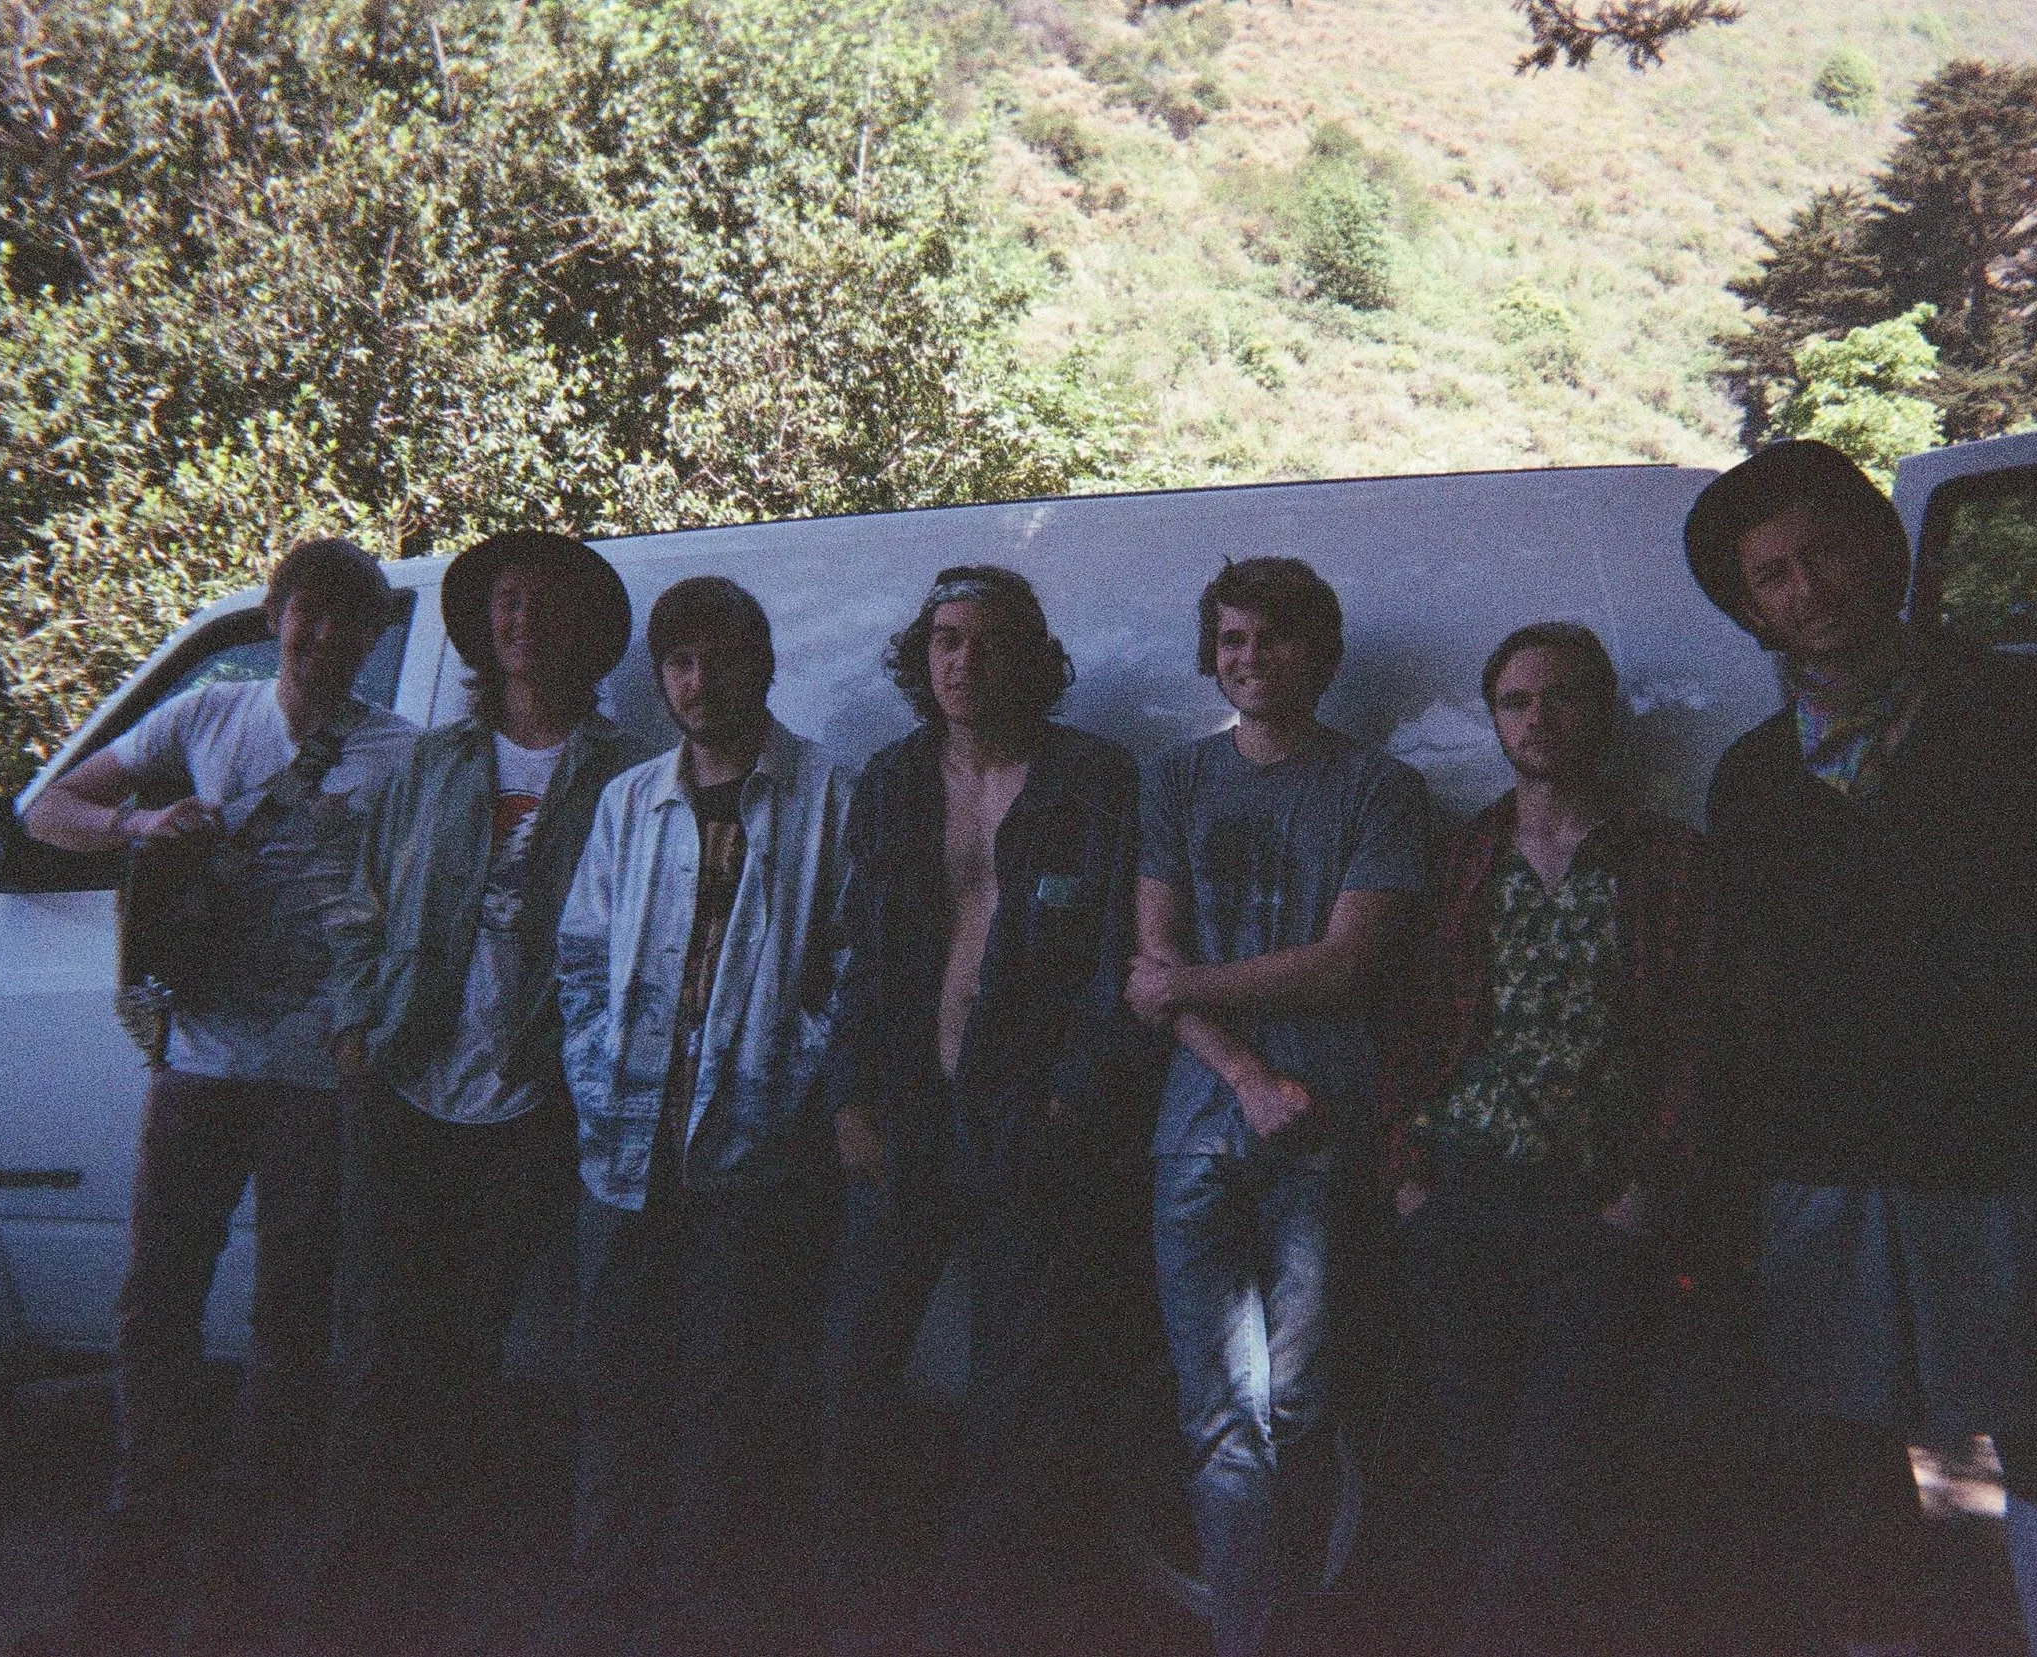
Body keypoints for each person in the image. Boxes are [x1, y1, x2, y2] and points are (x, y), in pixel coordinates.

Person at [1684, 441, 2037, 1657]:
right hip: (1824, 1153)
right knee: (1847, 1443)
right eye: (1771, 574)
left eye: (1823, 552)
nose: (1806, 588)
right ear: (1750, 609)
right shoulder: (1751, 778)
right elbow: (1749, 992)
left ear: (1878, 551)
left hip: (2008, 1137)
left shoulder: (2027, 720)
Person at [19, 537, 417, 1653]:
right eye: (307, 611)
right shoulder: (206, 714)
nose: (324, 635)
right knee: (155, 1302)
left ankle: (242, 1552)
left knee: (290, 1321)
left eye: (348, 619)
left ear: (373, 636)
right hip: (196, 1062)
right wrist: (138, 825)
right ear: (278, 615)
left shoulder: (403, 753)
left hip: (321, 1080)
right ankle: (147, 1522)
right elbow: (49, 809)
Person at [318, 529, 651, 1637]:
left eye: (545, 604)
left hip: (532, 1099)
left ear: (585, 633)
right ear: (483, 625)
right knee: (376, 1342)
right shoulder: (434, 764)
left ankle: (433, 1579)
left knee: (470, 1345)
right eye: (507, 601)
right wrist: (354, 1022)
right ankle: (356, 1580)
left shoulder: (622, 774)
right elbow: (359, 902)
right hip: (407, 1082)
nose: (522, 620)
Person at [818, 566, 1141, 1657]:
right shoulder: (894, 777)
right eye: (946, 639)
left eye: (991, 641)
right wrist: (849, 1096)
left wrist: (1070, 1100)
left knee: (1017, 1406)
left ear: (1034, 657)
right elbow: (862, 951)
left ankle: (977, 1623)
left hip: (1028, 1122)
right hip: (905, 1113)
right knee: (851, 1377)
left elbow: (1116, 957)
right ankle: (856, 1610)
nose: (964, 661)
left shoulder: (1092, 779)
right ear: (923, 656)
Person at [1374, 621, 1707, 1653]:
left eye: (1561, 696)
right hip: (1461, 1191)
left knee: (1561, 1480)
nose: (1537, 717)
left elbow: (1701, 1038)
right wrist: (1408, 1176)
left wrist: (1644, 1192)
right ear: (1494, 719)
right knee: (1469, 1471)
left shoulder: (1667, 859)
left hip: (1594, 1203)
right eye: (1515, 701)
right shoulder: (1463, 855)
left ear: (1602, 711)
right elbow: (1412, 1020)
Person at [1127, 555, 1429, 1657]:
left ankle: (1285, 1620)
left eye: (1275, 637)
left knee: (1297, 1408)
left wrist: (1186, 990)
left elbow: (1344, 964)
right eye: (1232, 639)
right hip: (1200, 1125)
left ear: (1321, 652)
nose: (1250, 659)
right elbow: (1151, 955)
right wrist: (1245, 1075)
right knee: (1218, 1413)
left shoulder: (1379, 787)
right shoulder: (1173, 778)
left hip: (1324, 1124)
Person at [553, 576, 854, 1650]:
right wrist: (600, 1078)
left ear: (761, 664)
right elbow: (580, 957)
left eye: (720, 658)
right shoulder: (629, 799)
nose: (699, 681)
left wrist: (788, 1074)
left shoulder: (830, 793)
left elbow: (851, 967)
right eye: (679, 662)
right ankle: (603, 1609)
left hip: (753, 1157)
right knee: (613, 1390)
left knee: (727, 1399)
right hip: (624, 1155)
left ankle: (699, 1614)